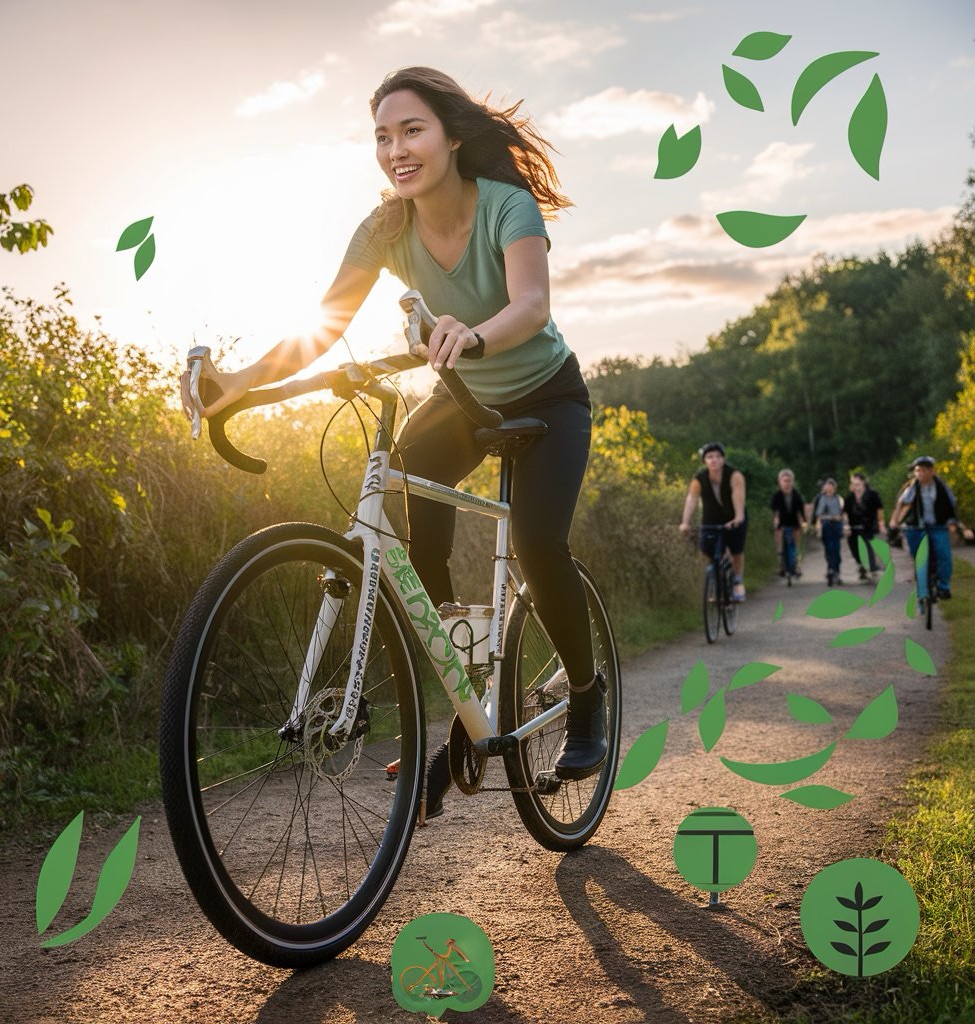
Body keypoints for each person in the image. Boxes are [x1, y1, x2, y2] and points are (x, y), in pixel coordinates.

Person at [195, 67, 607, 784]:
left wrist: (473, 337)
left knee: (540, 545)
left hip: (547, 396)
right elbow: (322, 328)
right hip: (464, 395)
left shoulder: (506, 205)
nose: (395, 149)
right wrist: (235, 384)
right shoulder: (385, 227)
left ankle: (587, 693)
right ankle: (465, 698)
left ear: (450, 136)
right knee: (407, 530)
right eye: (382, 137)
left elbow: (532, 305)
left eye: (411, 130)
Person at [679, 442, 748, 601]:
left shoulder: (734, 475)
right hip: (711, 518)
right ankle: (716, 584)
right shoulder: (699, 478)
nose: (714, 460)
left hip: (734, 517)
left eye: (718, 456)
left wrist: (738, 517)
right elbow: (692, 498)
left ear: (723, 459)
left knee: (736, 549)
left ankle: (737, 581)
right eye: (710, 457)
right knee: (709, 549)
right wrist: (685, 522)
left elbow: (737, 496)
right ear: (705, 460)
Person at [888, 455, 959, 601]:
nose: (920, 473)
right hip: (916, 528)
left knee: (944, 557)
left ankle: (943, 587)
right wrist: (894, 521)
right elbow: (901, 503)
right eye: (917, 470)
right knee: (920, 559)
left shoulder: (941, 487)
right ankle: (922, 592)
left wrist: (953, 523)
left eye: (923, 470)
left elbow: (951, 504)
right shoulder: (912, 487)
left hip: (938, 526)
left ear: (932, 471)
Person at [843, 472, 886, 581]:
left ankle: (872, 568)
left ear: (863, 483)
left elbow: (879, 509)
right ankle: (861, 565)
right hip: (854, 526)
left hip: (868, 525)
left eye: (857, 484)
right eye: (853, 484)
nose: (855, 487)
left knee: (868, 546)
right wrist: (846, 525)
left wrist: (881, 523)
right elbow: (845, 512)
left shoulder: (872, 494)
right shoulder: (850, 497)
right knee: (854, 547)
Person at [770, 468, 806, 578]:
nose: (787, 484)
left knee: (794, 545)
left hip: (794, 522)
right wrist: (776, 520)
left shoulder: (796, 495)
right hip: (782, 522)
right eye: (784, 481)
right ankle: (781, 561)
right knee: (779, 538)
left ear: (792, 482)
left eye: (789, 481)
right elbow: (775, 511)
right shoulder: (777, 496)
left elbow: (801, 510)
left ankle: (795, 564)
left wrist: (803, 521)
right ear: (780, 482)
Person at [812, 477, 845, 586]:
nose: (829, 489)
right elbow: (818, 514)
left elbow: (842, 512)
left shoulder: (839, 499)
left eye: (831, 487)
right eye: (827, 487)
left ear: (834, 488)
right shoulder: (821, 499)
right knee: (829, 548)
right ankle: (831, 569)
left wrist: (844, 523)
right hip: (826, 525)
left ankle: (836, 571)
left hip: (837, 526)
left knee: (836, 548)